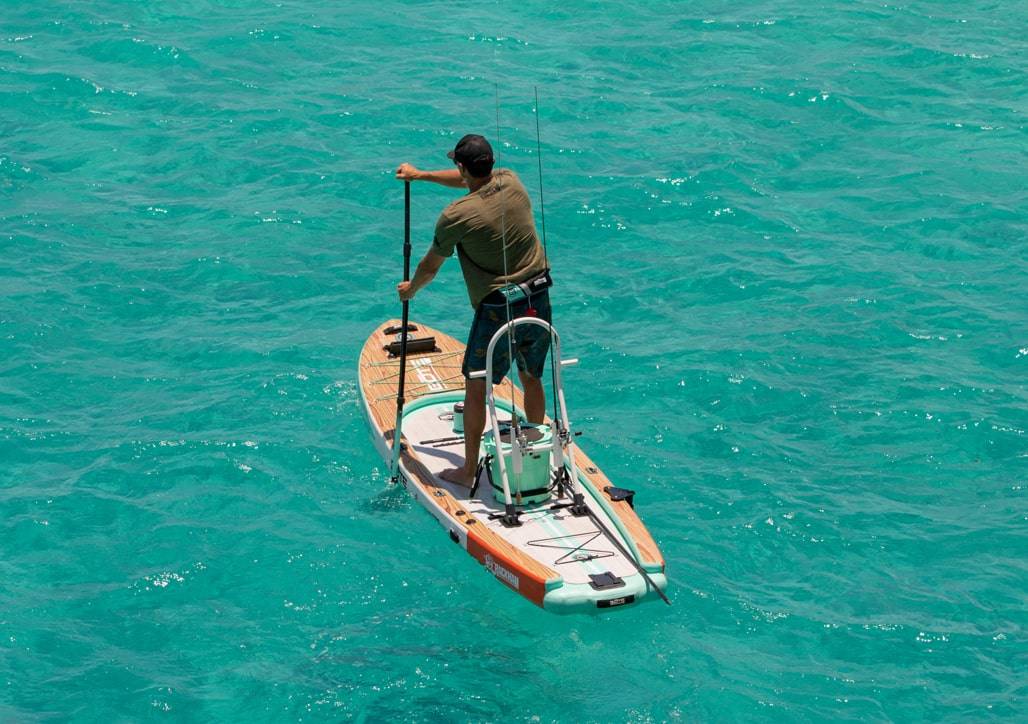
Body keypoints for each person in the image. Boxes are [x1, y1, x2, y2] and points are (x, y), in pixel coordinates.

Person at [395, 134, 552, 488]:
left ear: (462, 167)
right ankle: (536, 450)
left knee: (476, 387)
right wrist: (420, 176)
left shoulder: (455, 216)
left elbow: (430, 266)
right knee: (531, 375)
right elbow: (467, 181)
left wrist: (410, 290)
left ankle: (468, 473)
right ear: (491, 163)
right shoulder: (511, 180)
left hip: (499, 310)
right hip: (538, 298)